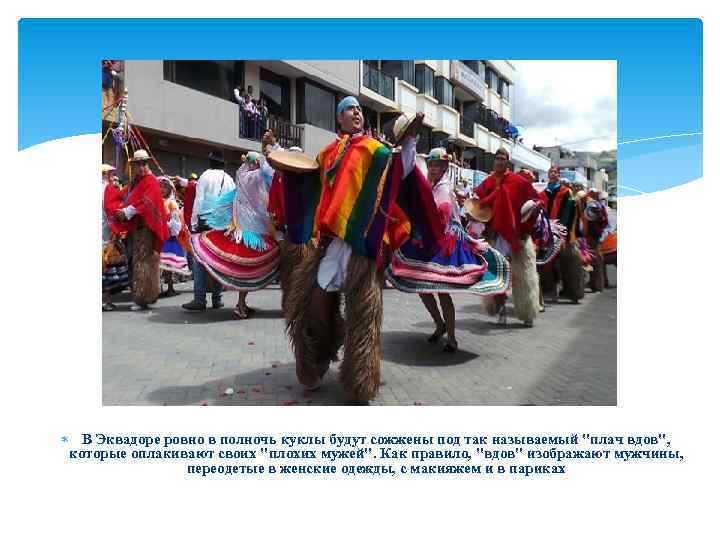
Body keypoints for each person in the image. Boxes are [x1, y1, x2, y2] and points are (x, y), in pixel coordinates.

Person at [282, 99, 442, 402]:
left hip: (363, 243)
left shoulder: (373, 149)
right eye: (349, 109)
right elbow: (308, 183)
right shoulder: (327, 153)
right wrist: (278, 164)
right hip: (330, 243)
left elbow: (399, 170)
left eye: (359, 109)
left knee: (364, 316)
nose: (356, 113)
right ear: (339, 118)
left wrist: (409, 138)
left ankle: (361, 379)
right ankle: (316, 359)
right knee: (312, 305)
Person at [386, 145, 510, 353]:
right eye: (432, 164)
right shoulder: (430, 185)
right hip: (431, 239)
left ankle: (451, 337)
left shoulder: (443, 188)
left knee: (443, 292)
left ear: (445, 168)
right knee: (422, 288)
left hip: (447, 242)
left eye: (438, 165)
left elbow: (441, 212)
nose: (434, 168)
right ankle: (439, 324)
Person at [190, 151, 280, 318]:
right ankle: (231, 302)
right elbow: (269, 172)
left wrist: (194, 221)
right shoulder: (247, 177)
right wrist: (266, 155)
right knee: (245, 270)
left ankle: (208, 299)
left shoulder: (239, 174)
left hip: (233, 225)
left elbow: (200, 199)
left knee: (230, 267)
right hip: (248, 229)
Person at [473, 147, 541, 327]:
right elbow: (478, 206)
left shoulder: (518, 182)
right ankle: (500, 312)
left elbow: (535, 202)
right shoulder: (487, 183)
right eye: (497, 158)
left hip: (518, 235)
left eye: (503, 159)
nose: (499, 161)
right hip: (495, 236)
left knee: (524, 275)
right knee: (496, 274)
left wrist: (525, 222)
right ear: (494, 160)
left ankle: (528, 313)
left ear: (507, 161)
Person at [112, 150, 169, 310]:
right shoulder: (136, 182)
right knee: (141, 262)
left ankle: (142, 298)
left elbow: (147, 203)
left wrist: (126, 211)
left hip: (146, 229)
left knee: (142, 263)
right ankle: (148, 295)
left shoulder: (150, 181)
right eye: (138, 164)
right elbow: (126, 196)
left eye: (143, 163)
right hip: (137, 229)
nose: (140, 167)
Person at [182, 152, 235, 312]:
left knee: (200, 261)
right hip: (223, 225)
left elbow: (199, 201)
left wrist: (193, 223)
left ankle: (199, 299)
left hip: (205, 224)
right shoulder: (229, 179)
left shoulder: (205, 176)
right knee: (217, 261)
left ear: (210, 162)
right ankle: (217, 299)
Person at [158, 177, 191, 296]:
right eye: (160, 187)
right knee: (161, 264)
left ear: (170, 189)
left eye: (165, 187)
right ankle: (161, 286)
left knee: (168, 264)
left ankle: (170, 286)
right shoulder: (158, 201)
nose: (162, 189)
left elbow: (176, 222)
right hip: (159, 236)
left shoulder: (172, 203)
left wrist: (166, 225)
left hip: (169, 238)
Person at [102, 164, 129, 311]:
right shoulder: (108, 189)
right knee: (106, 270)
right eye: (110, 174)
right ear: (106, 175)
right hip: (105, 236)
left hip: (104, 234)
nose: (112, 177)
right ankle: (106, 301)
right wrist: (116, 232)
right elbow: (114, 211)